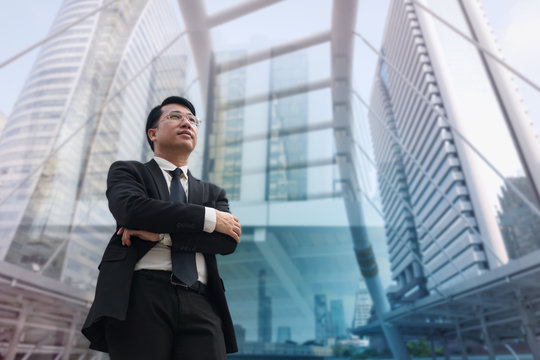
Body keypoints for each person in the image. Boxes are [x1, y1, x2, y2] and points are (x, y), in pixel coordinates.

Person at [82, 96, 241, 360]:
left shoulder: (213, 192)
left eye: (192, 119)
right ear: (152, 133)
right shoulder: (129, 172)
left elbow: (226, 241)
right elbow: (131, 210)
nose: (186, 123)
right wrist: (207, 218)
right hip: (139, 295)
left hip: (202, 301)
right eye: (175, 116)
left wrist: (162, 236)